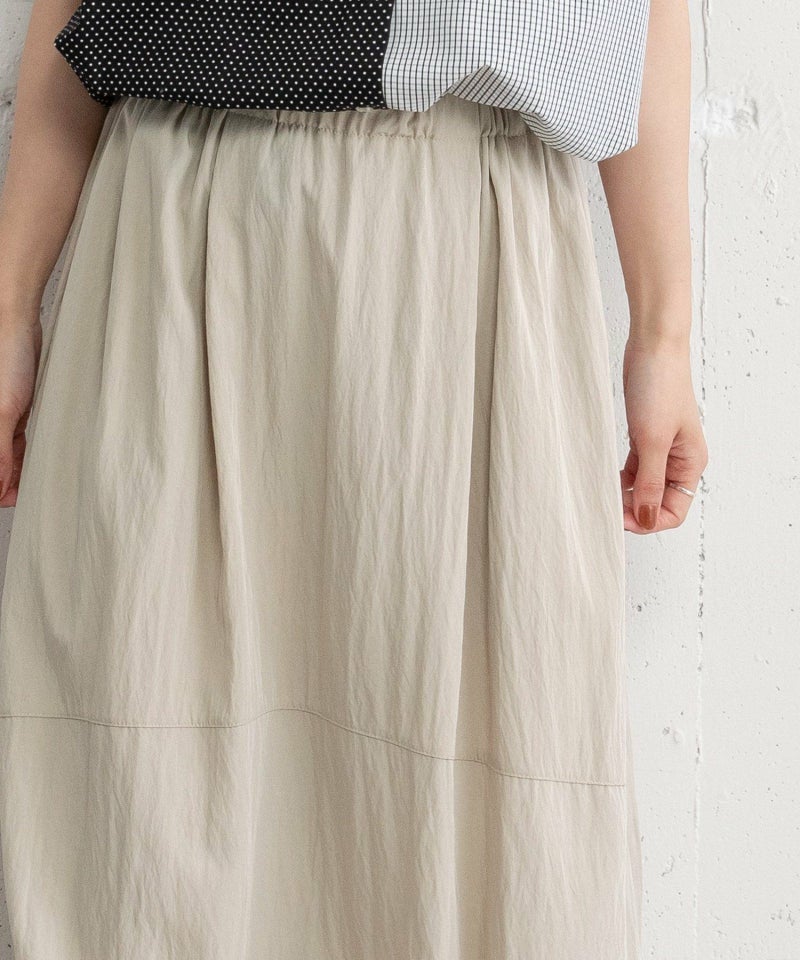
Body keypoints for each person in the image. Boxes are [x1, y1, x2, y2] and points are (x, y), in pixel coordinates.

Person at [0, 1, 708, 958]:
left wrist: (663, 333)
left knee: (469, 803)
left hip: (465, 238)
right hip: (177, 204)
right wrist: (10, 305)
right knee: (139, 776)